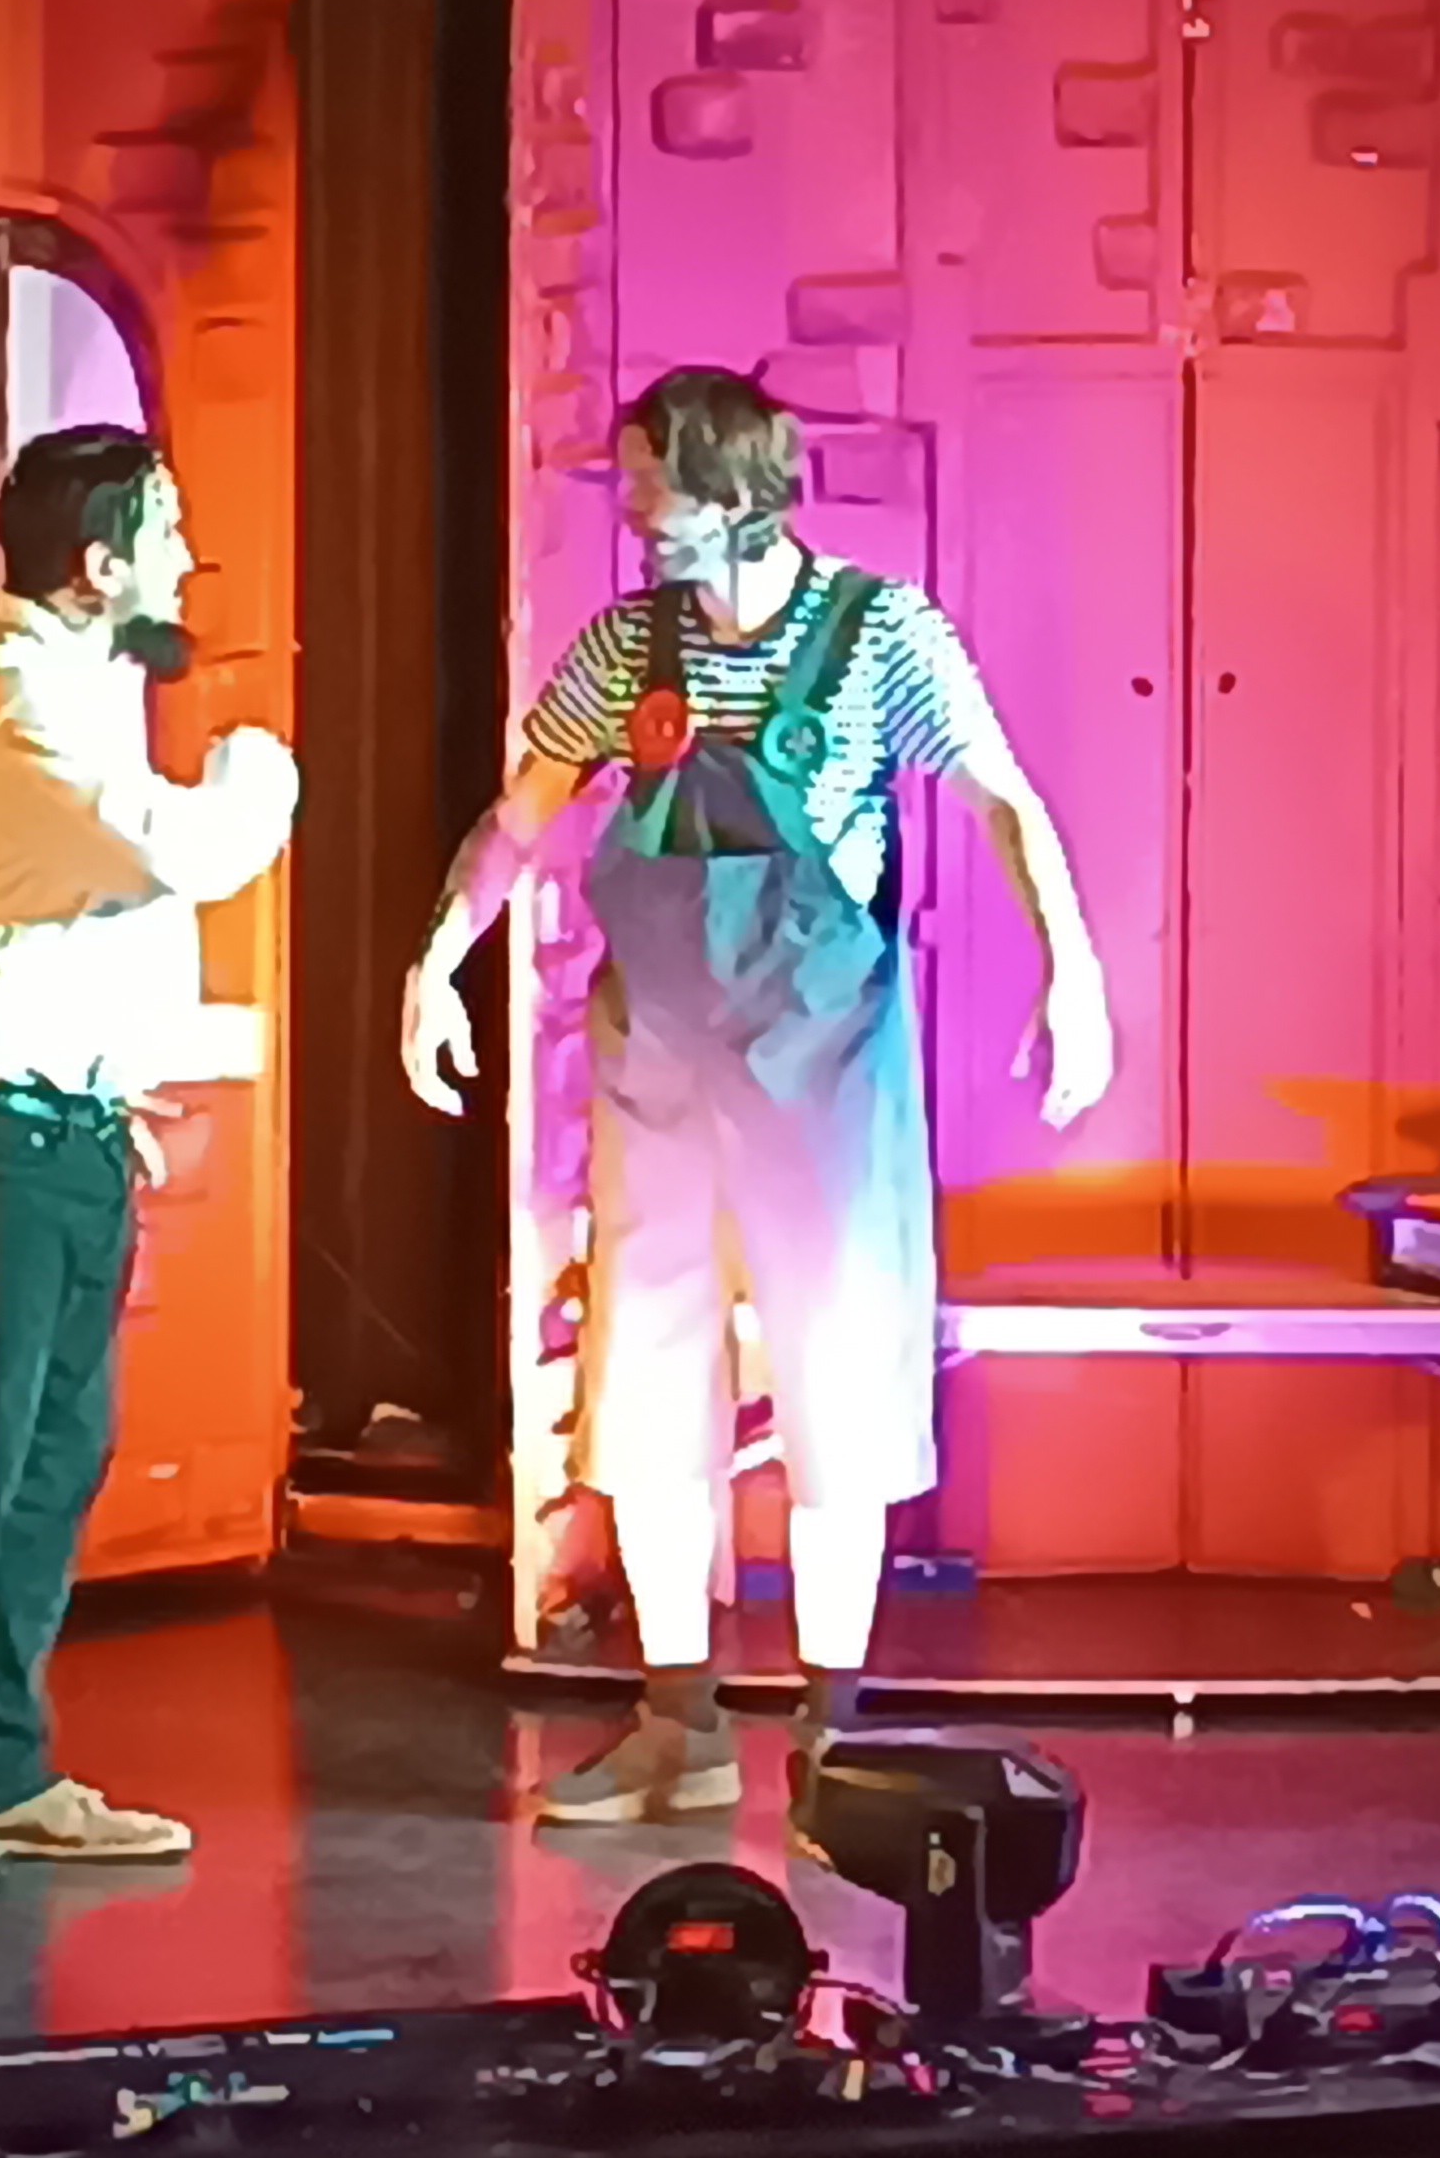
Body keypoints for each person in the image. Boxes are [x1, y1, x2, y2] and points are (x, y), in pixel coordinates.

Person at [402, 367, 1111, 1827]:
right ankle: (679, 1727)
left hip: (822, 1061)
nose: (633, 505)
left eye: (653, 480)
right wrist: (434, 962)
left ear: (734, 491)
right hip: (660, 1061)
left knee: (835, 1380)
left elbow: (1003, 799)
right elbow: (523, 814)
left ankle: (833, 1740)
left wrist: (1074, 975)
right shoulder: (629, 647)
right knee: (649, 1382)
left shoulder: (879, 635)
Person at [0, 424, 300, 1904]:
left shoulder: (88, 689)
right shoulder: (17, 695)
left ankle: (1, 1767)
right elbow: (174, 853)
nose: (187, 559)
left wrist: (120, 1073)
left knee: (53, 1458)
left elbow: (94, 919)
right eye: (166, 532)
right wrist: (259, 773)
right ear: (100, 564)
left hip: (66, 1122)